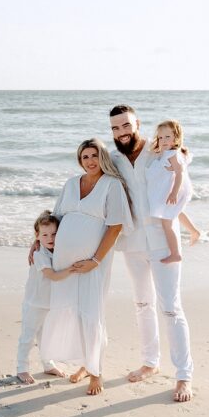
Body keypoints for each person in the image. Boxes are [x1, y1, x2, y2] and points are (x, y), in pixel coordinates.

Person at [109, 105, 194, 402]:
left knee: (171, 307)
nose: (121, 132)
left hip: (161, 239)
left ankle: (184, 376)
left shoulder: (158, 151)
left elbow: (180, 186)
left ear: (137, 124)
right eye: (116, 128)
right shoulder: (114, 159)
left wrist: (188, 225)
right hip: (131, 241)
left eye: (126, 126)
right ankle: (150, 362)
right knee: (142, 303)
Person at [38, 138, 133, 395]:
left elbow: (115, 227)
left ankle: (96, 371)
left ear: (102, 157)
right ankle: (84, 363)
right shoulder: (71, 184)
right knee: (72, 312)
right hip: (64, 261)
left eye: (93, 156)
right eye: (84, 157)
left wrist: (95, 260)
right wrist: (35, 243)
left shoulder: (112, 186)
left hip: (92, 262)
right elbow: (53, 218)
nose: (89, 161)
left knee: (91, 314)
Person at [16, 211, 73, 384]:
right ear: (37, 236)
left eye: (54, 234)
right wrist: (72, 269)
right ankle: (22, 368)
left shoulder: (56, 251)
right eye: (45, 235)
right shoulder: (40, 254)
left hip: (49, 303)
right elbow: (52, 275)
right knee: (28, 335)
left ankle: (48, 364)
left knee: (46, 336)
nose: (50, 238)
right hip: (35, 302)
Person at [147, 119, 203, 263]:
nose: (163, 140)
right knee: (176, 211)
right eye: (160, 137)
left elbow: (180, 173)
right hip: (177, 189)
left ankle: (175, 254)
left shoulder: (172, 154)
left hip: (176, 190)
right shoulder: (174, 152)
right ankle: (194, 231)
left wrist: (173, 193)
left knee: (167, 223)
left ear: (176, 138)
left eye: (167, 137)